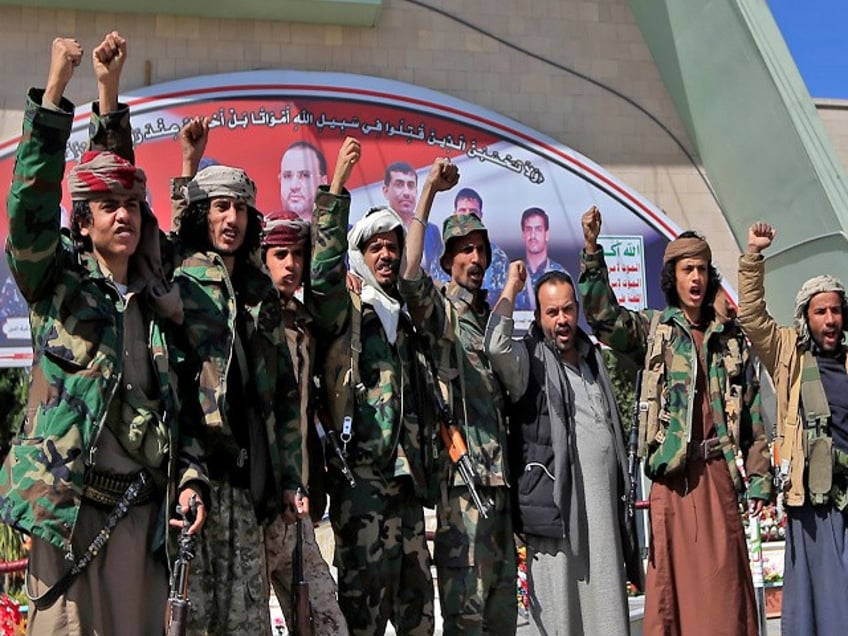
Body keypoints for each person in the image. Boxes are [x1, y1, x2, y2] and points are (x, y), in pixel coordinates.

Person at [0, 34, 206, 636]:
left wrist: (110, 92)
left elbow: (183, 409)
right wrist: (60, 92)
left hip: (141, 519)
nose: (123, 214)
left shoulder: (156, 299)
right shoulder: (57, 284)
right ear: (83, 222)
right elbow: (31, 209)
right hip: (70, 518)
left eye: (133, 206)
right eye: (107, 206)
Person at [579, 206, 771, 636]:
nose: (696, 279)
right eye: (688, 270)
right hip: (672, 480)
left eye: (702, 269)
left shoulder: (729, 339)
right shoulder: (655, 330)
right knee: (672, 595)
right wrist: (592, 249)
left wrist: (759, 478)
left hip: (718, 475)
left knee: (724, 594)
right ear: (673, 276)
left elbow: (752, 414)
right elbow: (604, 318)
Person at [172, 120, 303, 635]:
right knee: (194, 619)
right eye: (221, 206)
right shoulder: (179, 271)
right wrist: (188, 163)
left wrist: (290, 479)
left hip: (249, 484)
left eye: (241, 208)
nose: (232, 218)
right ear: (204, 213)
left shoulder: (259, 291)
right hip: (194, 478)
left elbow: (285, 396)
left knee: (247, 620)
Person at [310, 138, 437, 636]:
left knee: (416, 610)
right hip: (360, 481)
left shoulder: (401, 317)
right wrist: (337, 187)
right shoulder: (346, 308)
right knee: (363, 614)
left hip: (404, 483)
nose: (385, 254)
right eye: (375, 246)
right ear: (360, 254)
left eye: (392, 245)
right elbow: (320, 277)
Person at [484, 264, 635, 635]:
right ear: (538, 316)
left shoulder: (592, 362)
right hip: (554, 517)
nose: (562, 320)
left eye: (568, 309)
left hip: (602, 517)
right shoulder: (528, 360)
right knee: (559, 620)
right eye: (552, 312)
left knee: (608, 614)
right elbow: (495, 346)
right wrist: (511, 287)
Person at [400, 158, 517, 635]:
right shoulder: (442, 315)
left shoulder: (492, 319)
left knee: (502, 619)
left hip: (500, 493)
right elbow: (409, 275)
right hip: (462, 489)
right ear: (448, 261)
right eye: (464, 251)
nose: (474, 259)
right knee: (466, 622)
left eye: (480, 250)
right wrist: (427, 190)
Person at [738, 222, 848, 635]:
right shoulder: (788, 354)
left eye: (836, 310)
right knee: (816, 605)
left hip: (847, 499)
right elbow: (750, 316)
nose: (830, 319)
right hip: (812, 500)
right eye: (821, 311)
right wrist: (753, 256)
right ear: (807, 317)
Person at [261, 205, 349, 635]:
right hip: (255, 509)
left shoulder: (304, 325)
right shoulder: (248, 321)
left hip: (296, 509)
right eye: (280, 254)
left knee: (325, 620)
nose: (291, 264)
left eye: (297, 254)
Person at [433, 187, 509, 305]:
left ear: (481, 215)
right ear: (455, 213)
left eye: (473, 213)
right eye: (463, 211)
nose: (467, 217)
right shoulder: (440, 256)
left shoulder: (499, 257)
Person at [382, 160, 443, 278]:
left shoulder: (431, 230)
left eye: (410, 185)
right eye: (399, 184)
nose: (406, 193)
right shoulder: (379, 229)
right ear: (385, 191)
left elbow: (438, 272)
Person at [515, 207, 569, 311]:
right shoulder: (513, 276)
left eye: (538, 229)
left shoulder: (561, 275)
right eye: (529, 229)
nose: (533, 235)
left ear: (547, 234)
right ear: (523, 234)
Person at [279, 140, 328, 221]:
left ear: (323, 182)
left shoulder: (346, 232)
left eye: (305, 175)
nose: (294, 186)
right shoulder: (263, 231)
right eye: (287, 176)